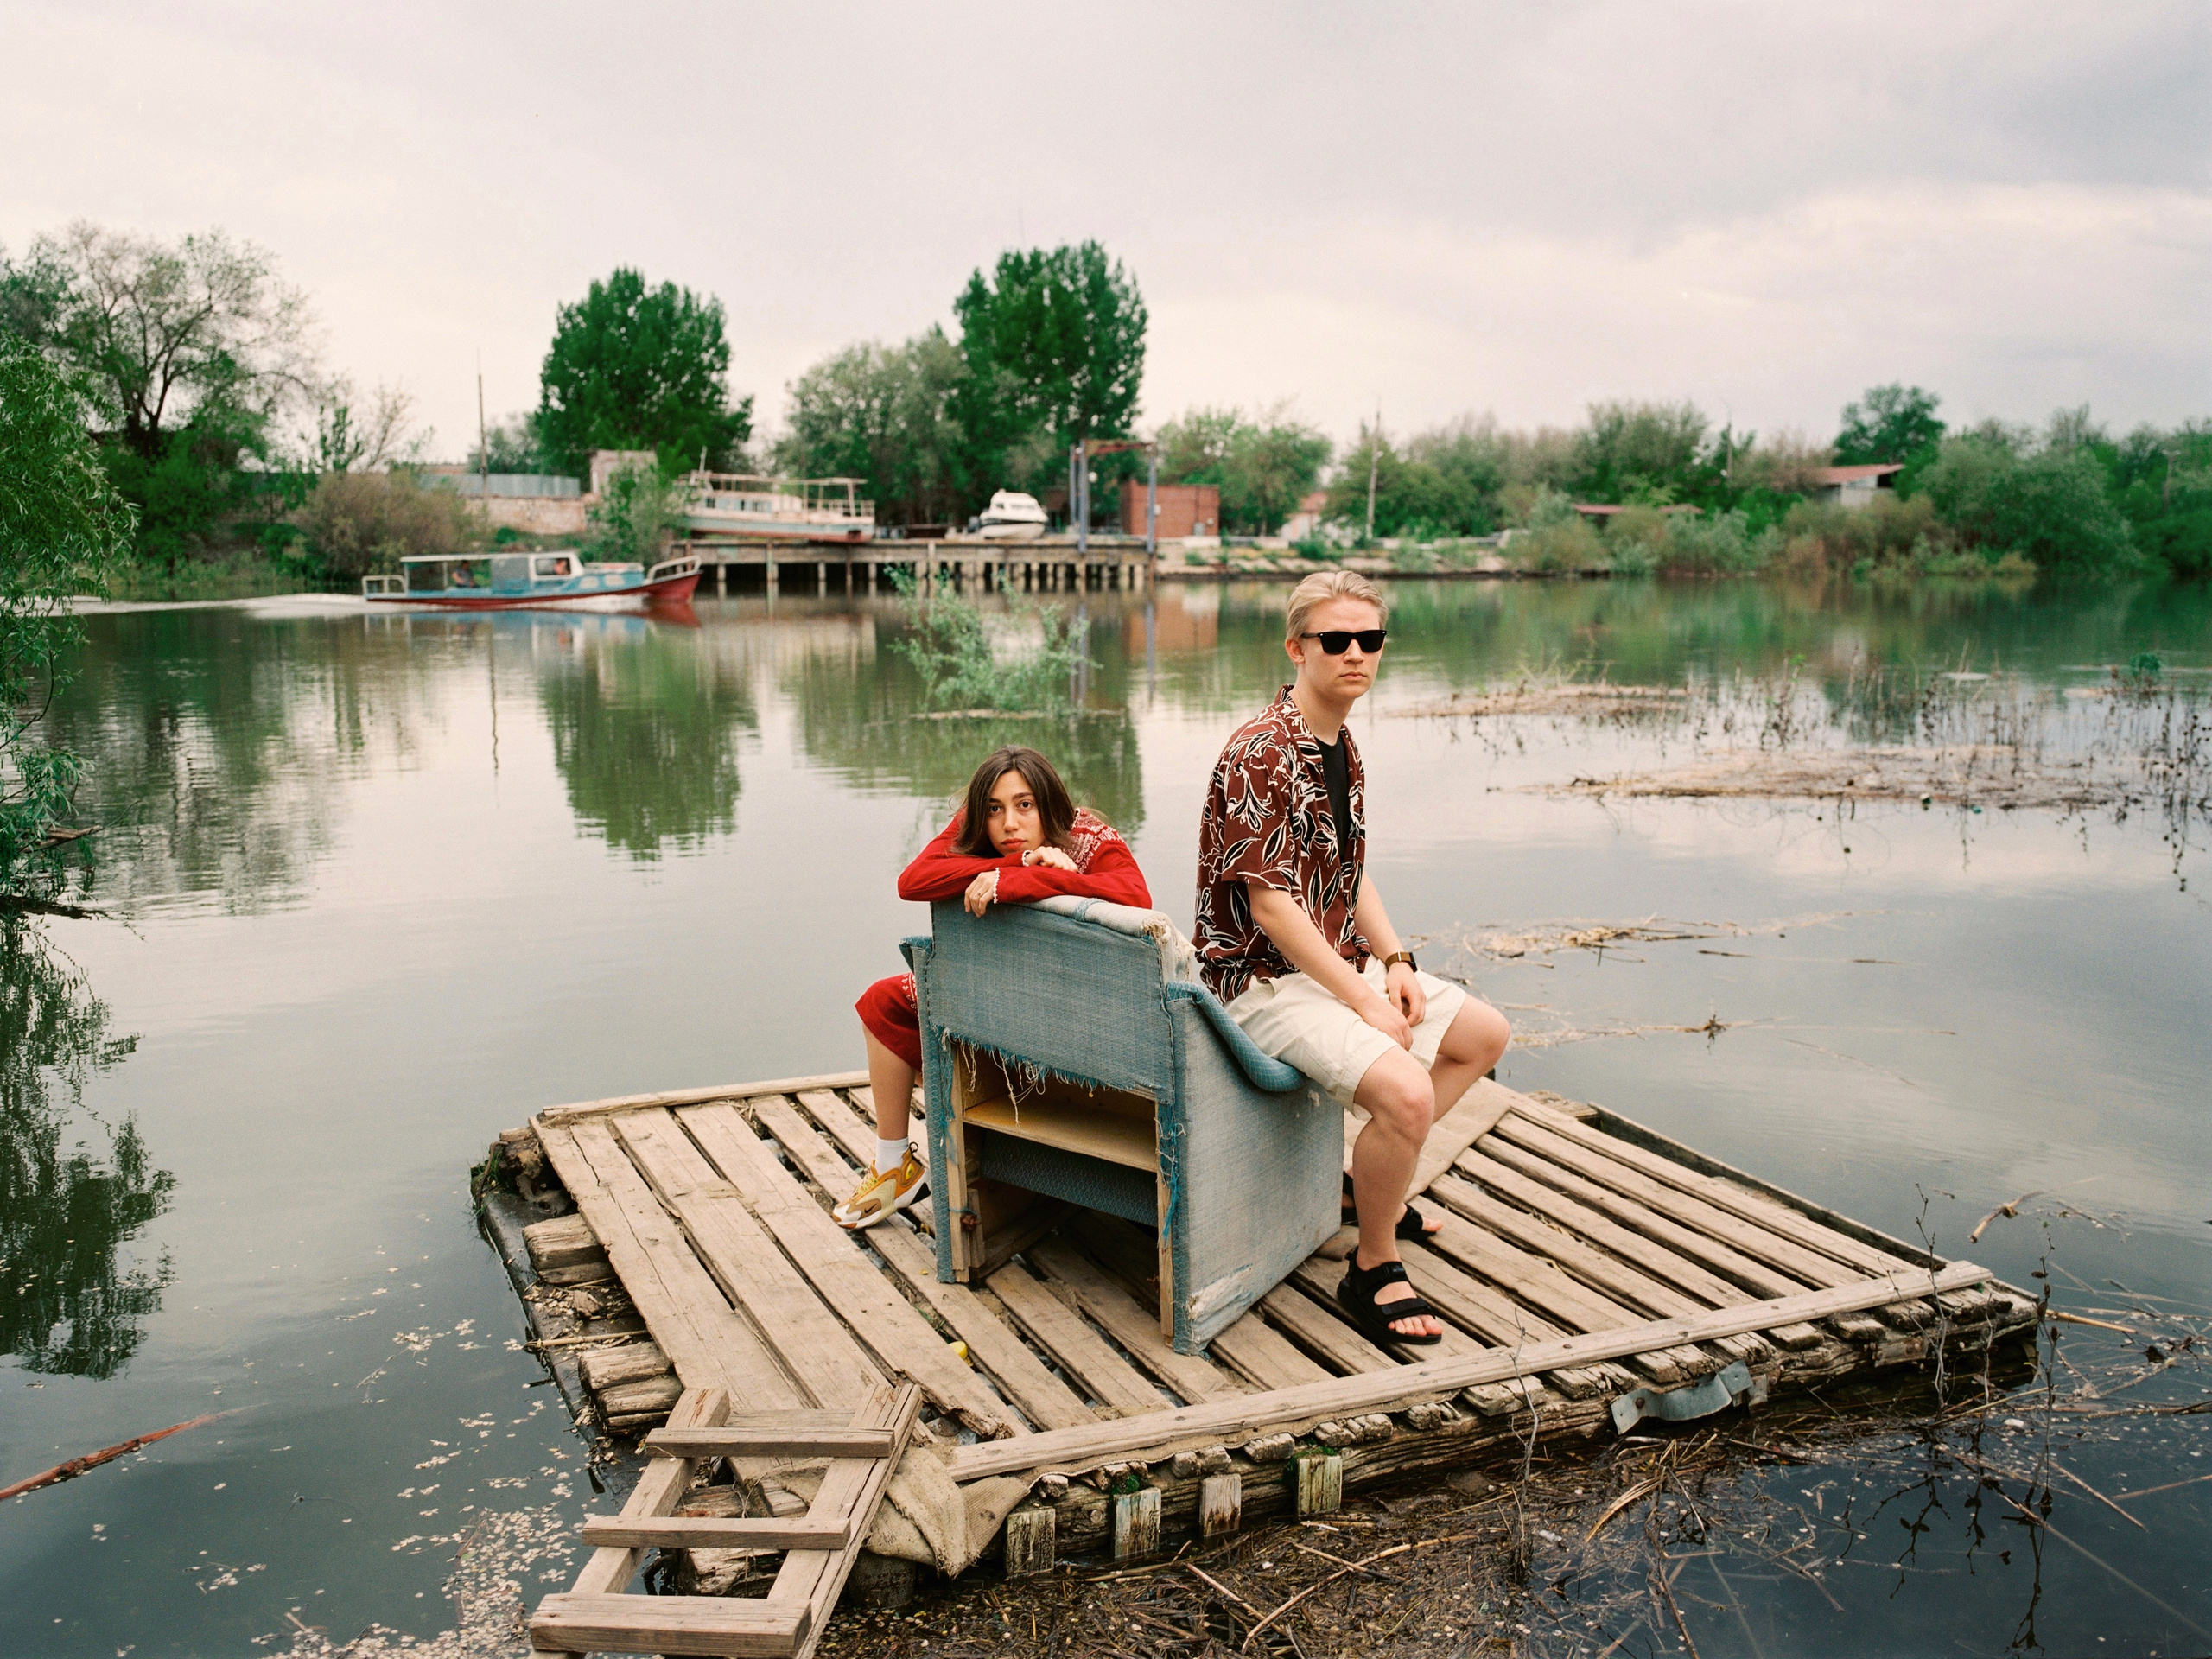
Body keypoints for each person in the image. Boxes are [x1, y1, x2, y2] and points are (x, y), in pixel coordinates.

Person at [1194, 570, 1510, 1345]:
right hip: (1262, 980)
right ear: (1296, 648)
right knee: (1406, 1094)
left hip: (1330, 963)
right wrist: (1364, 999)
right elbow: (1271, 907)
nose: (1355, 654)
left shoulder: (1340, 743)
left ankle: (1361, 1185)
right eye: (1335, 640)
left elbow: (1349, 871)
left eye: (1369, 640)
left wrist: (1395, 961)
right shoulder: (1260, 753)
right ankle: (1372, 1263)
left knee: (1484, 1035)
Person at [835, 746, 1152, 1230]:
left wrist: (1036, 880)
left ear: (1050, 805)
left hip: (1077, 1012)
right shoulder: (979, 830)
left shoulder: (1087, 835)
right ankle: (893, 1164)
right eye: (995, 809)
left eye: (1025, 805)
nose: (1009, 823)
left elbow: (1136, 896)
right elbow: (913, 880)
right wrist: (1019, 863)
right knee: (884, 1001)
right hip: (994, 1004)